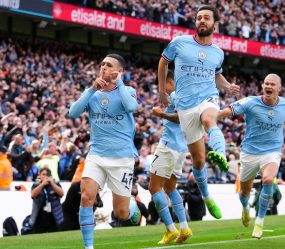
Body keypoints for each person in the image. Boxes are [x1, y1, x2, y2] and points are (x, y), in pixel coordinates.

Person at [219, 73, 285, 239]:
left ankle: (260, 222)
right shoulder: (250, 102)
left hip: (271, 152)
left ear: (279, 88)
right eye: (266, 84)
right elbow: (227, 111)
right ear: (263, 86)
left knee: (268, 180)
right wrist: (211, 118)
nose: (268, 86)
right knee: (244, 192)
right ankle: (245, 208)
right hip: (249, 152)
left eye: (272, 84)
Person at [158, 5, 240, 220]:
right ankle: (207, 197)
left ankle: (221, 153)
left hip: (208, 98)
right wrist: (161, 92)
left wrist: (227, 86)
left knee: (210, 119)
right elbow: (163, 62)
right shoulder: (179, 43)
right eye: (198, 18)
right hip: (185, 106)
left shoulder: (218, 53)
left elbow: (217, 76)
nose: (201, 21)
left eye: (206, 18)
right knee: (198, 161)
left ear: (215, 24)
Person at [68, 53, 141, 249]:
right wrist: (91, 89)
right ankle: (88, 246)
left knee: (121, 214)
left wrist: (120, 84)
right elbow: (73, 113)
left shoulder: (128, 91)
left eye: (108, 65)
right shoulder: (93, 94)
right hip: (96, 155)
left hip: (122, 158)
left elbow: (132, 106)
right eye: (102, 64)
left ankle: (132, 205)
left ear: (119, 71)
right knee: (85, 196)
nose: (103, 68)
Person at [148, 70, 192, 244]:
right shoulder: (186, 97)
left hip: (168, 147)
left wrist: (161, 114)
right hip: (181, 148)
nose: (162, 89)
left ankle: (170, 229)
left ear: (171, 83)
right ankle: (184, 227)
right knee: (170, 188)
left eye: (164, 85)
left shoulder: (175, 95)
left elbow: (181, 118)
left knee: (154, 187)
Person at [30, 167, 64, 233]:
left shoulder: (55, 184)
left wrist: (52, 184)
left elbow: (62, 194)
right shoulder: (35, 184)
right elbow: (33, 195)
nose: (45, 176)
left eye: (47, 175)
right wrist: (42, 184)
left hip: (54, 216)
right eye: (43, 174)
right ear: (39, 176)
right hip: (39, 216)